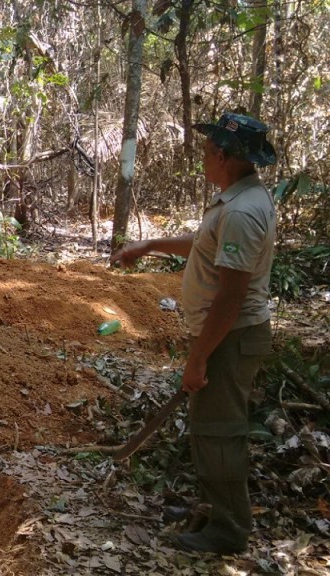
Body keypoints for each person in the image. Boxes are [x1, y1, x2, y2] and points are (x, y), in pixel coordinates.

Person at [112, 112, 276, 554]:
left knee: (221, 432)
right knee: (208, 429)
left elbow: (231, 296)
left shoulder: (243, 212)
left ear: (222, 156)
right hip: (224, 333)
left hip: (231, 334)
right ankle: (212, 507)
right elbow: (204, 246)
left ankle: (228, 530)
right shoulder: (234, 201)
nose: (203, 160)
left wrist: (200, 357)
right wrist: (150, 245)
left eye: (206, 152)